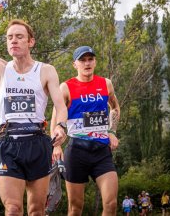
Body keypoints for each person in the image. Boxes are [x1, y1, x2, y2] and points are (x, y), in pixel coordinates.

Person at [0, 3, 67, 215]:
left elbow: (60, 105)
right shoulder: (0, 67)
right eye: (9, 37)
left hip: (37, 143)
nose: (14, 40)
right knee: (12, 208)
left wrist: (61, 127)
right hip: (9, 144)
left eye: (19, 36)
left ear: (31, 42)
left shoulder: (45, 70)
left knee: (36, 210)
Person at [51, 46, 121, 216]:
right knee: (75, 209)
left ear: (95, 61)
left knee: (111, 204)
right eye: (82, 60)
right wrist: (56, 146)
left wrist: (112, 131)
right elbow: (55, 118)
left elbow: (115, 107)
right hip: (76, 153)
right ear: (75, 64)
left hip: (101, 152)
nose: (87, 63)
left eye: (90, 59)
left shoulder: (105, 83)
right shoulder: (66, 87)